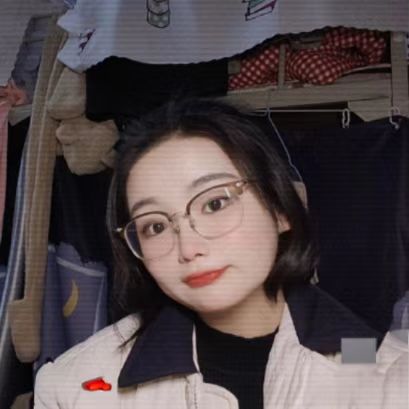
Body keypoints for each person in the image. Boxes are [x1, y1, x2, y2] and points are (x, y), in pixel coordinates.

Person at [34, 98, 408, 409]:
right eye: (155, 226)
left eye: (215, 204)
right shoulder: (79, 387)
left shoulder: (384, 372)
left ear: (280, 209)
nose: (189, 248)